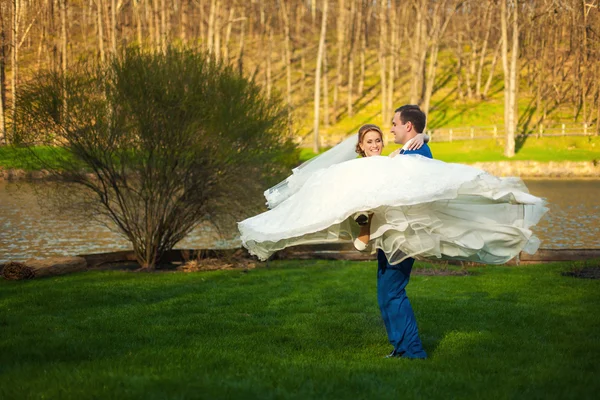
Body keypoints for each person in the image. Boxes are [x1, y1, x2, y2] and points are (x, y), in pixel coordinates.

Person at [374, 105, 432, 359]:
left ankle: (413, 351)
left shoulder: (418, 150)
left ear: (408, 126)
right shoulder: (412, 148)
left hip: (403, 235)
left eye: (394, 123)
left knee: (392, 291)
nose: (391, 128)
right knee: (385, 291)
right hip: (393, 233)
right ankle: (401, 347)